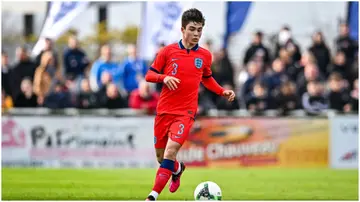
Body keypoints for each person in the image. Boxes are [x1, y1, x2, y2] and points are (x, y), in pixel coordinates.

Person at [144, 8, 235, 201]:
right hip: (164, 112)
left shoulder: (204, 56)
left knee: (171, 151)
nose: (196, 34)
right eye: (192, 29)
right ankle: (177, 169)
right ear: (182, 29)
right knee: (162, 158)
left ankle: (152, 196)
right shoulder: (167, 52)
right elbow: (149, 75)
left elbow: (207, 78)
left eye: (199, 30)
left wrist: (221, 91)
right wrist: (164, 77)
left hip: (185, 113)